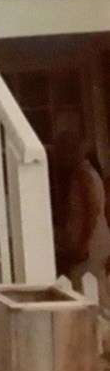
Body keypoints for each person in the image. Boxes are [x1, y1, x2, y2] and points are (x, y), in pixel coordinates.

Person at [55, 131, 110, 315]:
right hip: (87, 243)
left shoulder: (85, 175)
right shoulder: (82, 173)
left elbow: (92, 212)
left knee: (91, 292)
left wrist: (83, 244)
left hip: (90, 246)